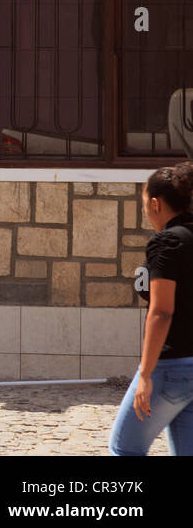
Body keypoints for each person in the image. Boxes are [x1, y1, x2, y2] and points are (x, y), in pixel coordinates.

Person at [110, 163, 193, 455]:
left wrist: (145, 374)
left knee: (124, 449)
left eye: (145, 203)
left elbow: (161, 311)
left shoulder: (167, 242)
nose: (146, 211)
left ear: (155, 203)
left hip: (171, 367)